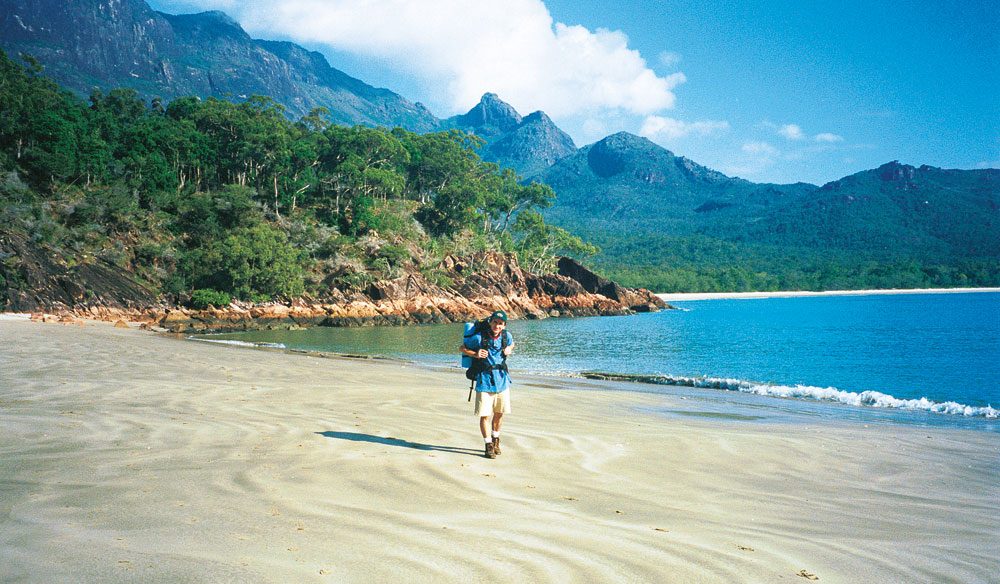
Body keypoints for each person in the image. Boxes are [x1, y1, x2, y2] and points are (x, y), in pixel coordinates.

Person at [460, 310, 514, 459]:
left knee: (499, 413)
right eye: (495, 322)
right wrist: (475, 354)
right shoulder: (479, 338)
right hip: (484, 381)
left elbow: (512, 344)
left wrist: (509, 349)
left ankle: (496, 439)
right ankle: (488, 444)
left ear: (504, 325)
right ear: (490, 322)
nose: (497, 326)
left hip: (502, 381)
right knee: (485, 415)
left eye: (500, 323)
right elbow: (462, 348)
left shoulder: (506, 336)